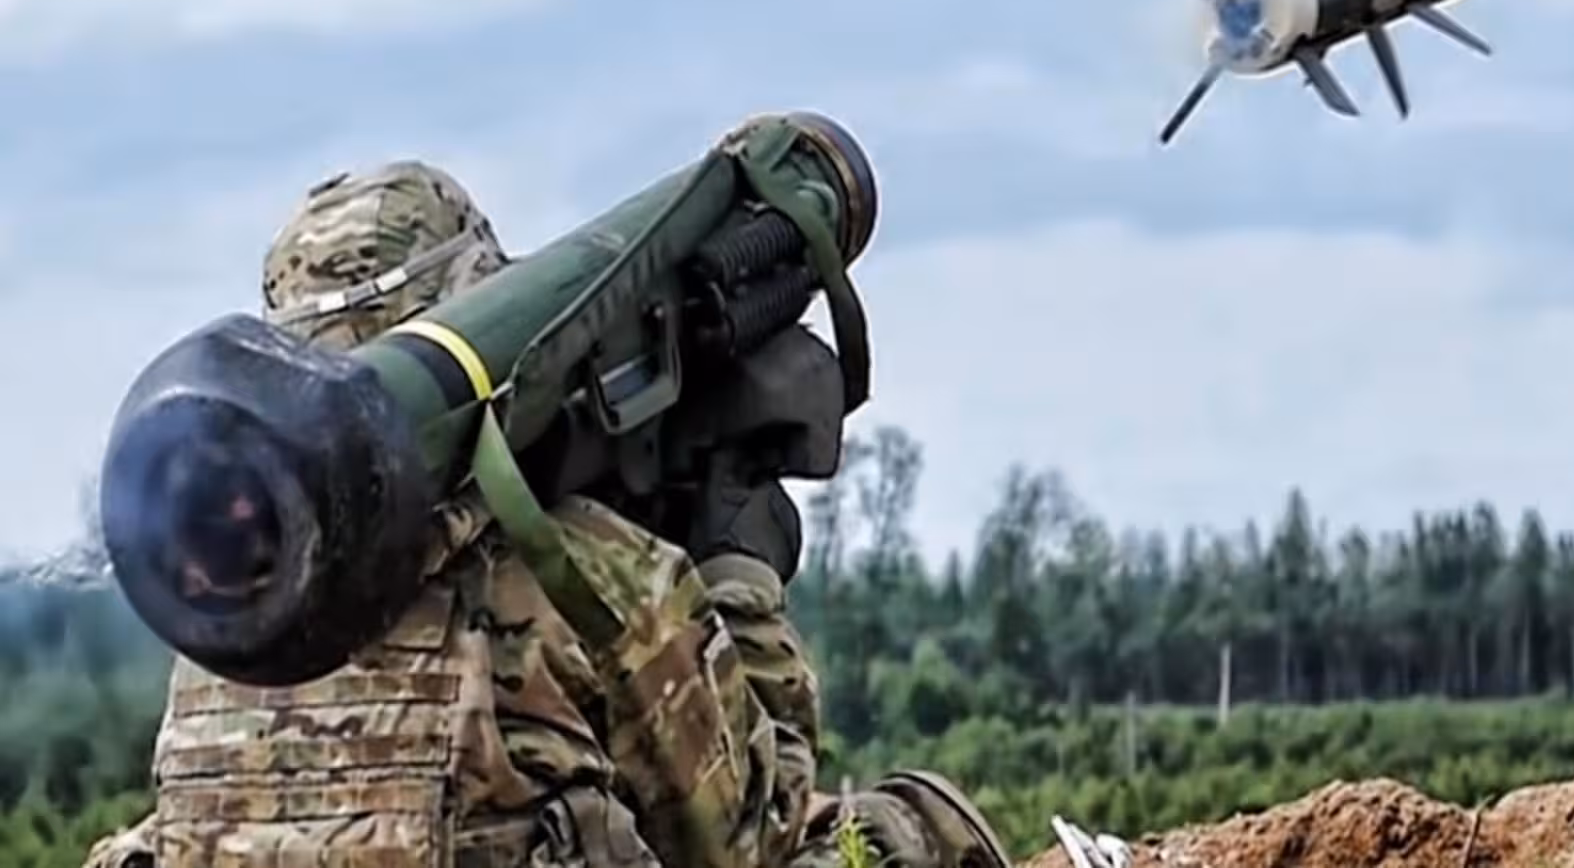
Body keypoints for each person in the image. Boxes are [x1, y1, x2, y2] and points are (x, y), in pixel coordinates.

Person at [84, 159, 1012, 868]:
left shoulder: (228, 632)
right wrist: (738, 572)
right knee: (912, 827)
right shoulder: (581, 573)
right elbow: (756, 831)